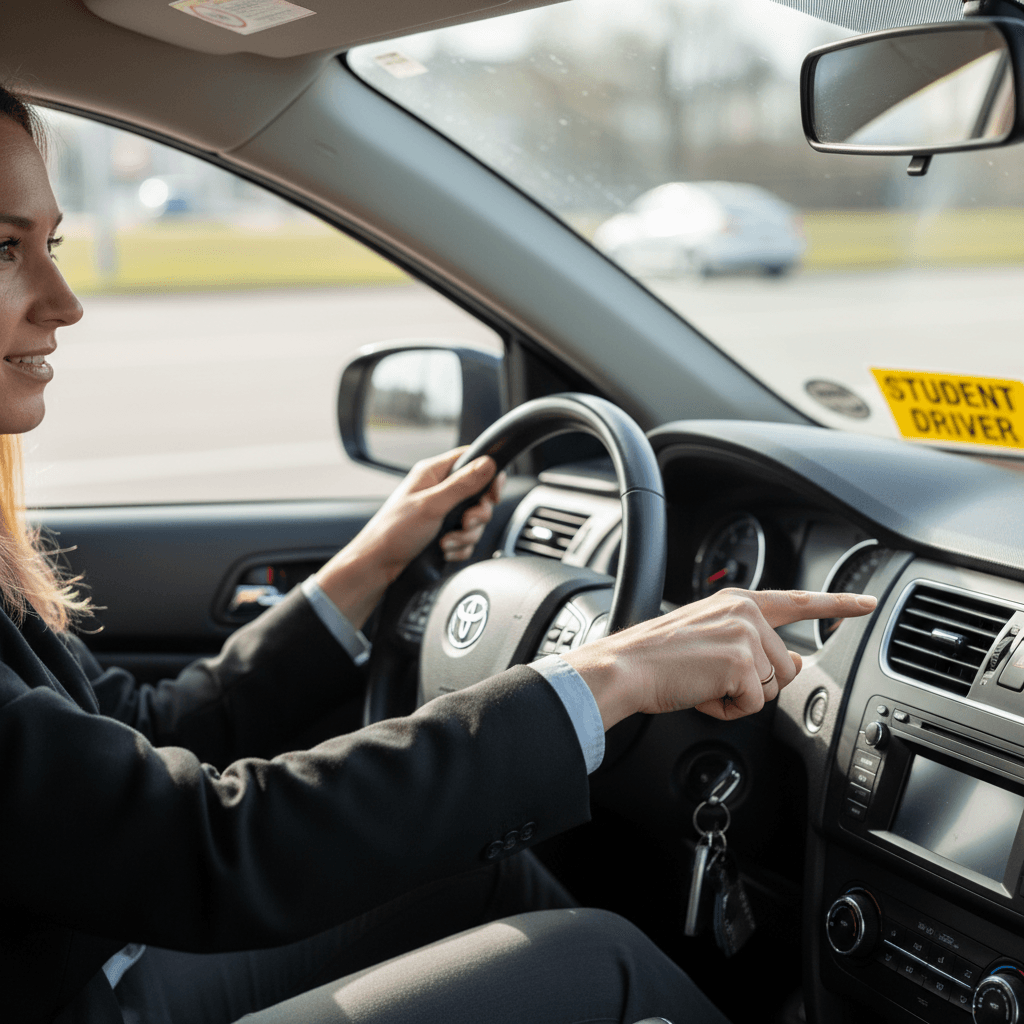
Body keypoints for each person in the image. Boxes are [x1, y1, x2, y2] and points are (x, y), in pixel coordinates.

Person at [0, 85, 876, 1024]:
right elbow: (200, 845)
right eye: (5, 250)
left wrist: (370, 563)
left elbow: (140, 731)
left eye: (52, 246)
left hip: (89, 967)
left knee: (487, 878)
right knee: (606, 966)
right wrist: (602, 677)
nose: (66, 303)